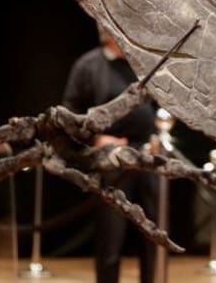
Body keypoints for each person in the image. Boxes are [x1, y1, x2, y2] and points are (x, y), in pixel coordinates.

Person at [62, 26, 159, 283]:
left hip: (146, 159)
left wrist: (157, 134)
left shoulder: (142, 64)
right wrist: (96, 139)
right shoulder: (88, 65)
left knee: (152, 234)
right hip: (111, 161)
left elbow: (158, 105)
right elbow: (68, 114)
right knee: (111, 238)